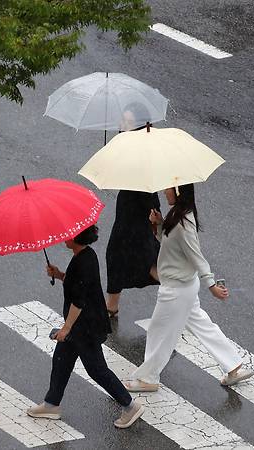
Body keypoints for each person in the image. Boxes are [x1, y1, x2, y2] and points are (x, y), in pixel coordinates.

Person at [126, 184, 253, 392]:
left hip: (176, 289)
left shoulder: (183, 221)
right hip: (184, 285)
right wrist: (158, 225)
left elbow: (196, 255)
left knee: (158, 331)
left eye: (168, 189)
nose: (164, 192)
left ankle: (148, 378)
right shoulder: (179, 214)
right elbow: (172, 246)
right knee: (202, 324)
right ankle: (233, 365)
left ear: (178, 191)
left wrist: (211, 284)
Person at [27, 225, 144, 429]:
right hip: (82, 326)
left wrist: (66, 329)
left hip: (86, 327)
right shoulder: (84, 255)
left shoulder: (84, 262)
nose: (65, 236)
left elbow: (78, 302)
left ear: (77, 237)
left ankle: (130, 405)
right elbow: (78, 285)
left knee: (96, 370)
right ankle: (52, 403)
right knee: (61, 360)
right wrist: (60, 274)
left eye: (69, 234)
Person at [106, 102, 161, 318]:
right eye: (123, 120)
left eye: (128, 122)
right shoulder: (128, 145)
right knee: (117, 257)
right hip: (128, 210)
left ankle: (180, 294)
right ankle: (111, 306)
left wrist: (153, 214)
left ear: (138, 126)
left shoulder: (141, 151)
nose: (122, 124)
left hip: (137, 211)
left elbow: (147, 189)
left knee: (147, 261)